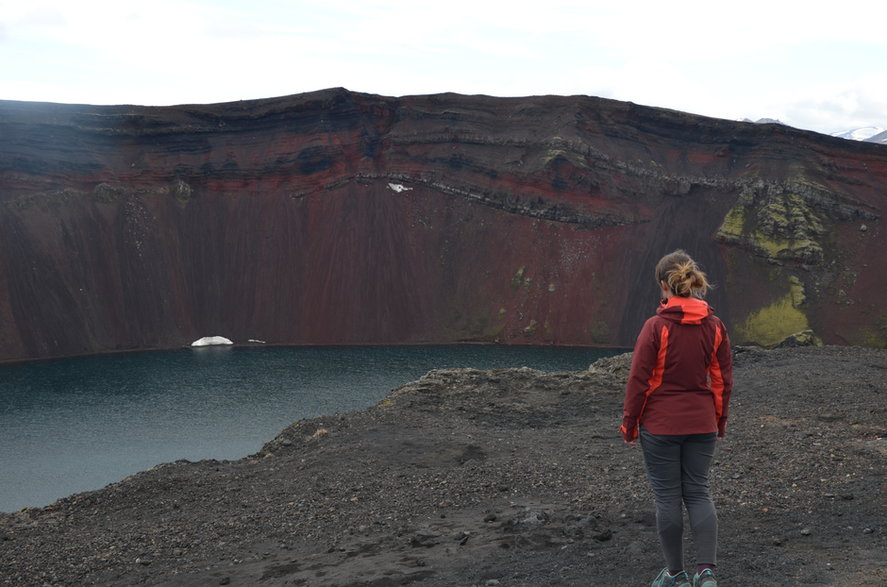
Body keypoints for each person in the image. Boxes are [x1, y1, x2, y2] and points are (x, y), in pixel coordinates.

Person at [620, 250, 733, 587]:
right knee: (698, 492)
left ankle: (676, 576)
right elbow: (722, 380)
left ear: (663, 285)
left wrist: (629, 423)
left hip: (660, 425)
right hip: (702, 424)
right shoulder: (715, 327)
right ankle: (707, 574)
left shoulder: (656, 327)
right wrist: (719, 421)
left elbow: (639, 380)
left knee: (668, 497)